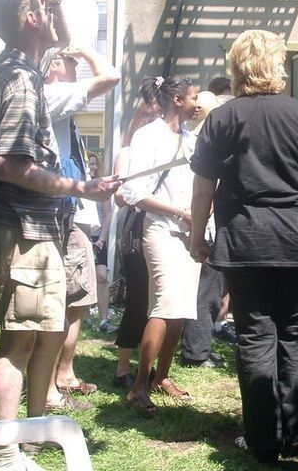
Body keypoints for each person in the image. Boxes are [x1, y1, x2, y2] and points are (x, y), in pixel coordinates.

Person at [0, 0, 119, 471]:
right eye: (44, 7)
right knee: (20, 339)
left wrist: (58, 12)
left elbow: (66, 46)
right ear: (32, 19)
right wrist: (80, 188)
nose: (51, 14)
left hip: (40, 227)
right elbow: (10, 164)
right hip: (26, 229)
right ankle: (6, 453)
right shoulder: (19, 79)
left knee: (46, 332)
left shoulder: (24, 69)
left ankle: (32, 443)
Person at [189, 29, 298, 465]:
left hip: (247, 241)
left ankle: (262, 440)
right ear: (277, 67)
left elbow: (202, 188)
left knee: (255, 337)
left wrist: (198, 236)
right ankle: (295, 435)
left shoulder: (222, 118)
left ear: (236, 69)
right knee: (297, 337)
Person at [42, 45, 120, 409]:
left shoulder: (58, 97)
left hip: (69, 213)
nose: (80, 66)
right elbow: (111, 76)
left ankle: (64, 374)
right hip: (56, 213)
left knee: (78, 298)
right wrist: (88, 51)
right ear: (54, 66)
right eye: (70, 61)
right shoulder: (52, 94)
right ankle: (52, 384)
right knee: (63, 300)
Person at [121, 75, 201, 412]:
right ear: (178, 100)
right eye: (194, 97)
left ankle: (161, 377)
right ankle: (139, 386)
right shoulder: (147, 136)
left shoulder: (190, 139)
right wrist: (180, 212)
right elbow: (132, 192)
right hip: (159, 230)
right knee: (164, 306)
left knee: (180, 309)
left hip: (188, 234)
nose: (198, 103)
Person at [112, 83, 161, 388]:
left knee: (155, 303)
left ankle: (147, 366)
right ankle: (121, 370)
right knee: (137, 301)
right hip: (136, 231)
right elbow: (118, 196)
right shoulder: (129, 150)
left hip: (160, 227)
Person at [181, 90, 228, 368]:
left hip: (196, 222)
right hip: (203, 225)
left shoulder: (190, 141)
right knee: (206, 291)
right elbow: (204, 191)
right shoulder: (203, 144)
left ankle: (200, 348)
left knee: (206, 289)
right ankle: (196, 353)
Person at [88, 152, 117, 334]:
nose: (91, 167)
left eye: (93, 163)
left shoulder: (101, 187)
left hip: (98, 238)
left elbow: (108, 214)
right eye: (88, 163)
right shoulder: (78, 184)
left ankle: (104, 320)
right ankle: (85, 318)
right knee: (82, 278)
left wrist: (102, 239)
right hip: (82, 236)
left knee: (101, 277)